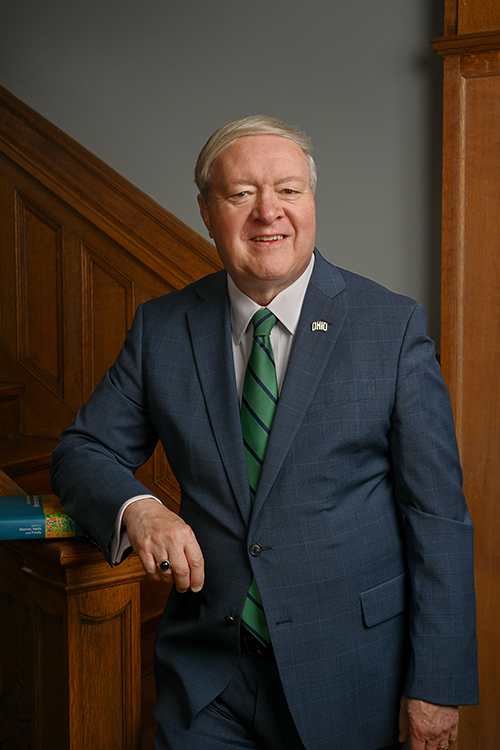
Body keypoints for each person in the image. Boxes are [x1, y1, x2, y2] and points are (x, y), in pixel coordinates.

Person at [50, 116, 478, 750]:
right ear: (205, 211)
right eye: (241, 193)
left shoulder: (391, 328)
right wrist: (137, 508)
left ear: (311, 202)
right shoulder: (162, 329)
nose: (267, 213)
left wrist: (437, 685)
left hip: (354, 679)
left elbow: (436, 516)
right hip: (209, 680)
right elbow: (81, 450)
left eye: (288, 190)